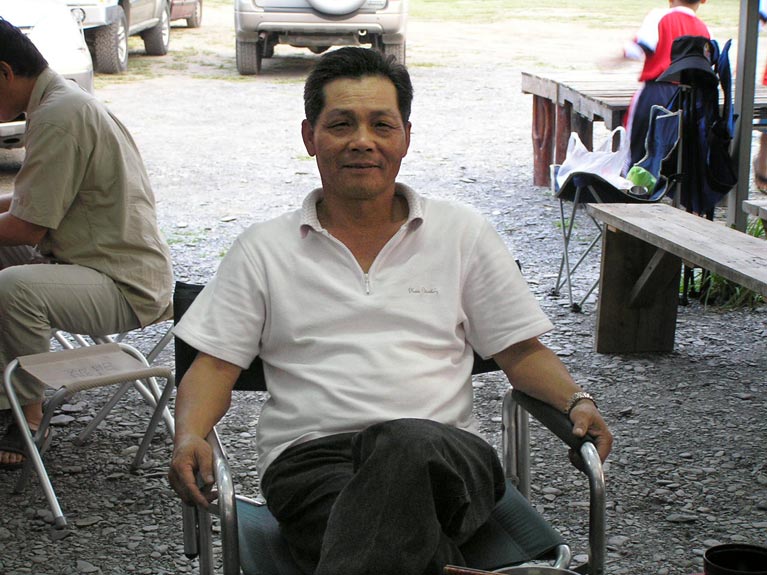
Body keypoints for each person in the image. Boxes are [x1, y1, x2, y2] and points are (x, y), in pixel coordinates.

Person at [168, 47, 612, 575]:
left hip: (448, 457)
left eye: (382, 124)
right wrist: (189, 436)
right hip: (312, 464)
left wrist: (576, 400)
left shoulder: (462, 234)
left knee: (405, 443)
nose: (363, 140)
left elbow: (520, 351)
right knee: (376, 525)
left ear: (405, 137)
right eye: (341, 124)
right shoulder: (263, 250)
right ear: (310, 136)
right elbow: (214, 366)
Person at [0, 19, 173, 469]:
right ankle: (7, 392)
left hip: (124, 284)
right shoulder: (60, 102)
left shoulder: (59, 116)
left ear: (4, 73)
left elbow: (26, 228)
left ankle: (29, 415)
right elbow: (36, 199)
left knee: (13, 288)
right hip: (94, 264)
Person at [622, 0, 710, 168]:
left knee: (637, 155)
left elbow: (638, 50)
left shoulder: (659, 17)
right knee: (675, 158)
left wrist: (616, 56)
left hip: (656, 92)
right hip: (689, 99)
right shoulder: (704, 29)